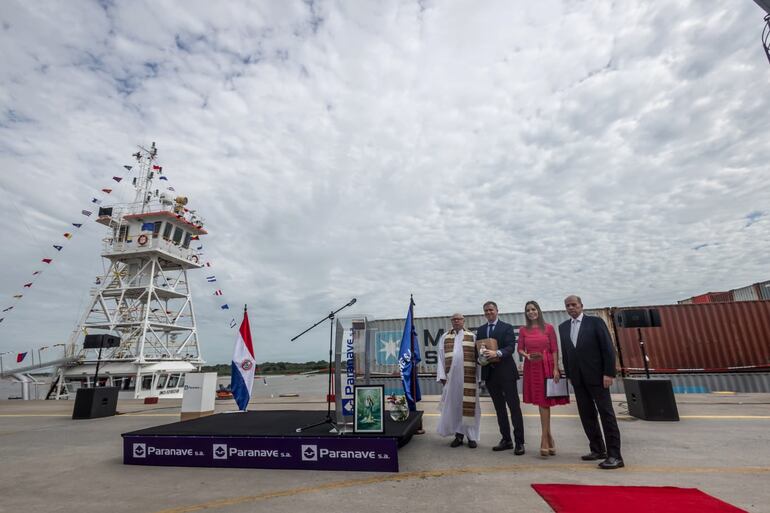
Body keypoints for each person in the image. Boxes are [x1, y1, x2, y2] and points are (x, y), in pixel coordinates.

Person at [558, 295, 624, 469]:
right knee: (587, 415)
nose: (571, 308)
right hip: (578, 379)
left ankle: (615, 456)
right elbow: (566, 353)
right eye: (568, 306)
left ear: (581, 305)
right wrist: (570, 375)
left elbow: (608, 348)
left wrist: (609, 373)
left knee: (606, 415)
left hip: (598, 377)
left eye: (574, 305)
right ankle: (597, 449)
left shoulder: (595, 322)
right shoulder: (563, 327)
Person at [518, 300, 569, 457]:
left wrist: (555, 368)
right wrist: (527, 355)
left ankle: (544, 439)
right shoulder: (523, 330)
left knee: (544, 402)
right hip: (532, 366)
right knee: (541, 402)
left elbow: (554, 349)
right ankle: (549, 437)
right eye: (528, 310)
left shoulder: (548, 328)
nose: (531, 312)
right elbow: (520, 348)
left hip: (546, 366)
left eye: (533, 309)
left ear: (538, 311)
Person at [479, 301, 525, 454]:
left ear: (497, 310)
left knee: (514, 408)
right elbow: (479, 349)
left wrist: (496, 353)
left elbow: (511, 347)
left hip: (506, 373)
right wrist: (481, 357)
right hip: (490, 375)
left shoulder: (506, 327)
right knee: (499, 410)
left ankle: (519, 442)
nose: (489, 312)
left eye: (491, 310)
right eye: (486, 311)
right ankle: (506, 439)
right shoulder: (481, 330)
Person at [436, 313, 480, 448]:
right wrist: (442, 376)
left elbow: (478, 359)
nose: (456, 321)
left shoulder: (472, 337)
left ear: (463, 321)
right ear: (451, 322)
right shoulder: (445, 337)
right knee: (455, 408)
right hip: (452, 379)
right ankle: (458, 435)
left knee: (470, 408)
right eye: (453, 319)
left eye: (458, 319)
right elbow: (441, 357)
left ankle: (471, 437)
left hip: (469, 379)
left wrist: (479, 378)